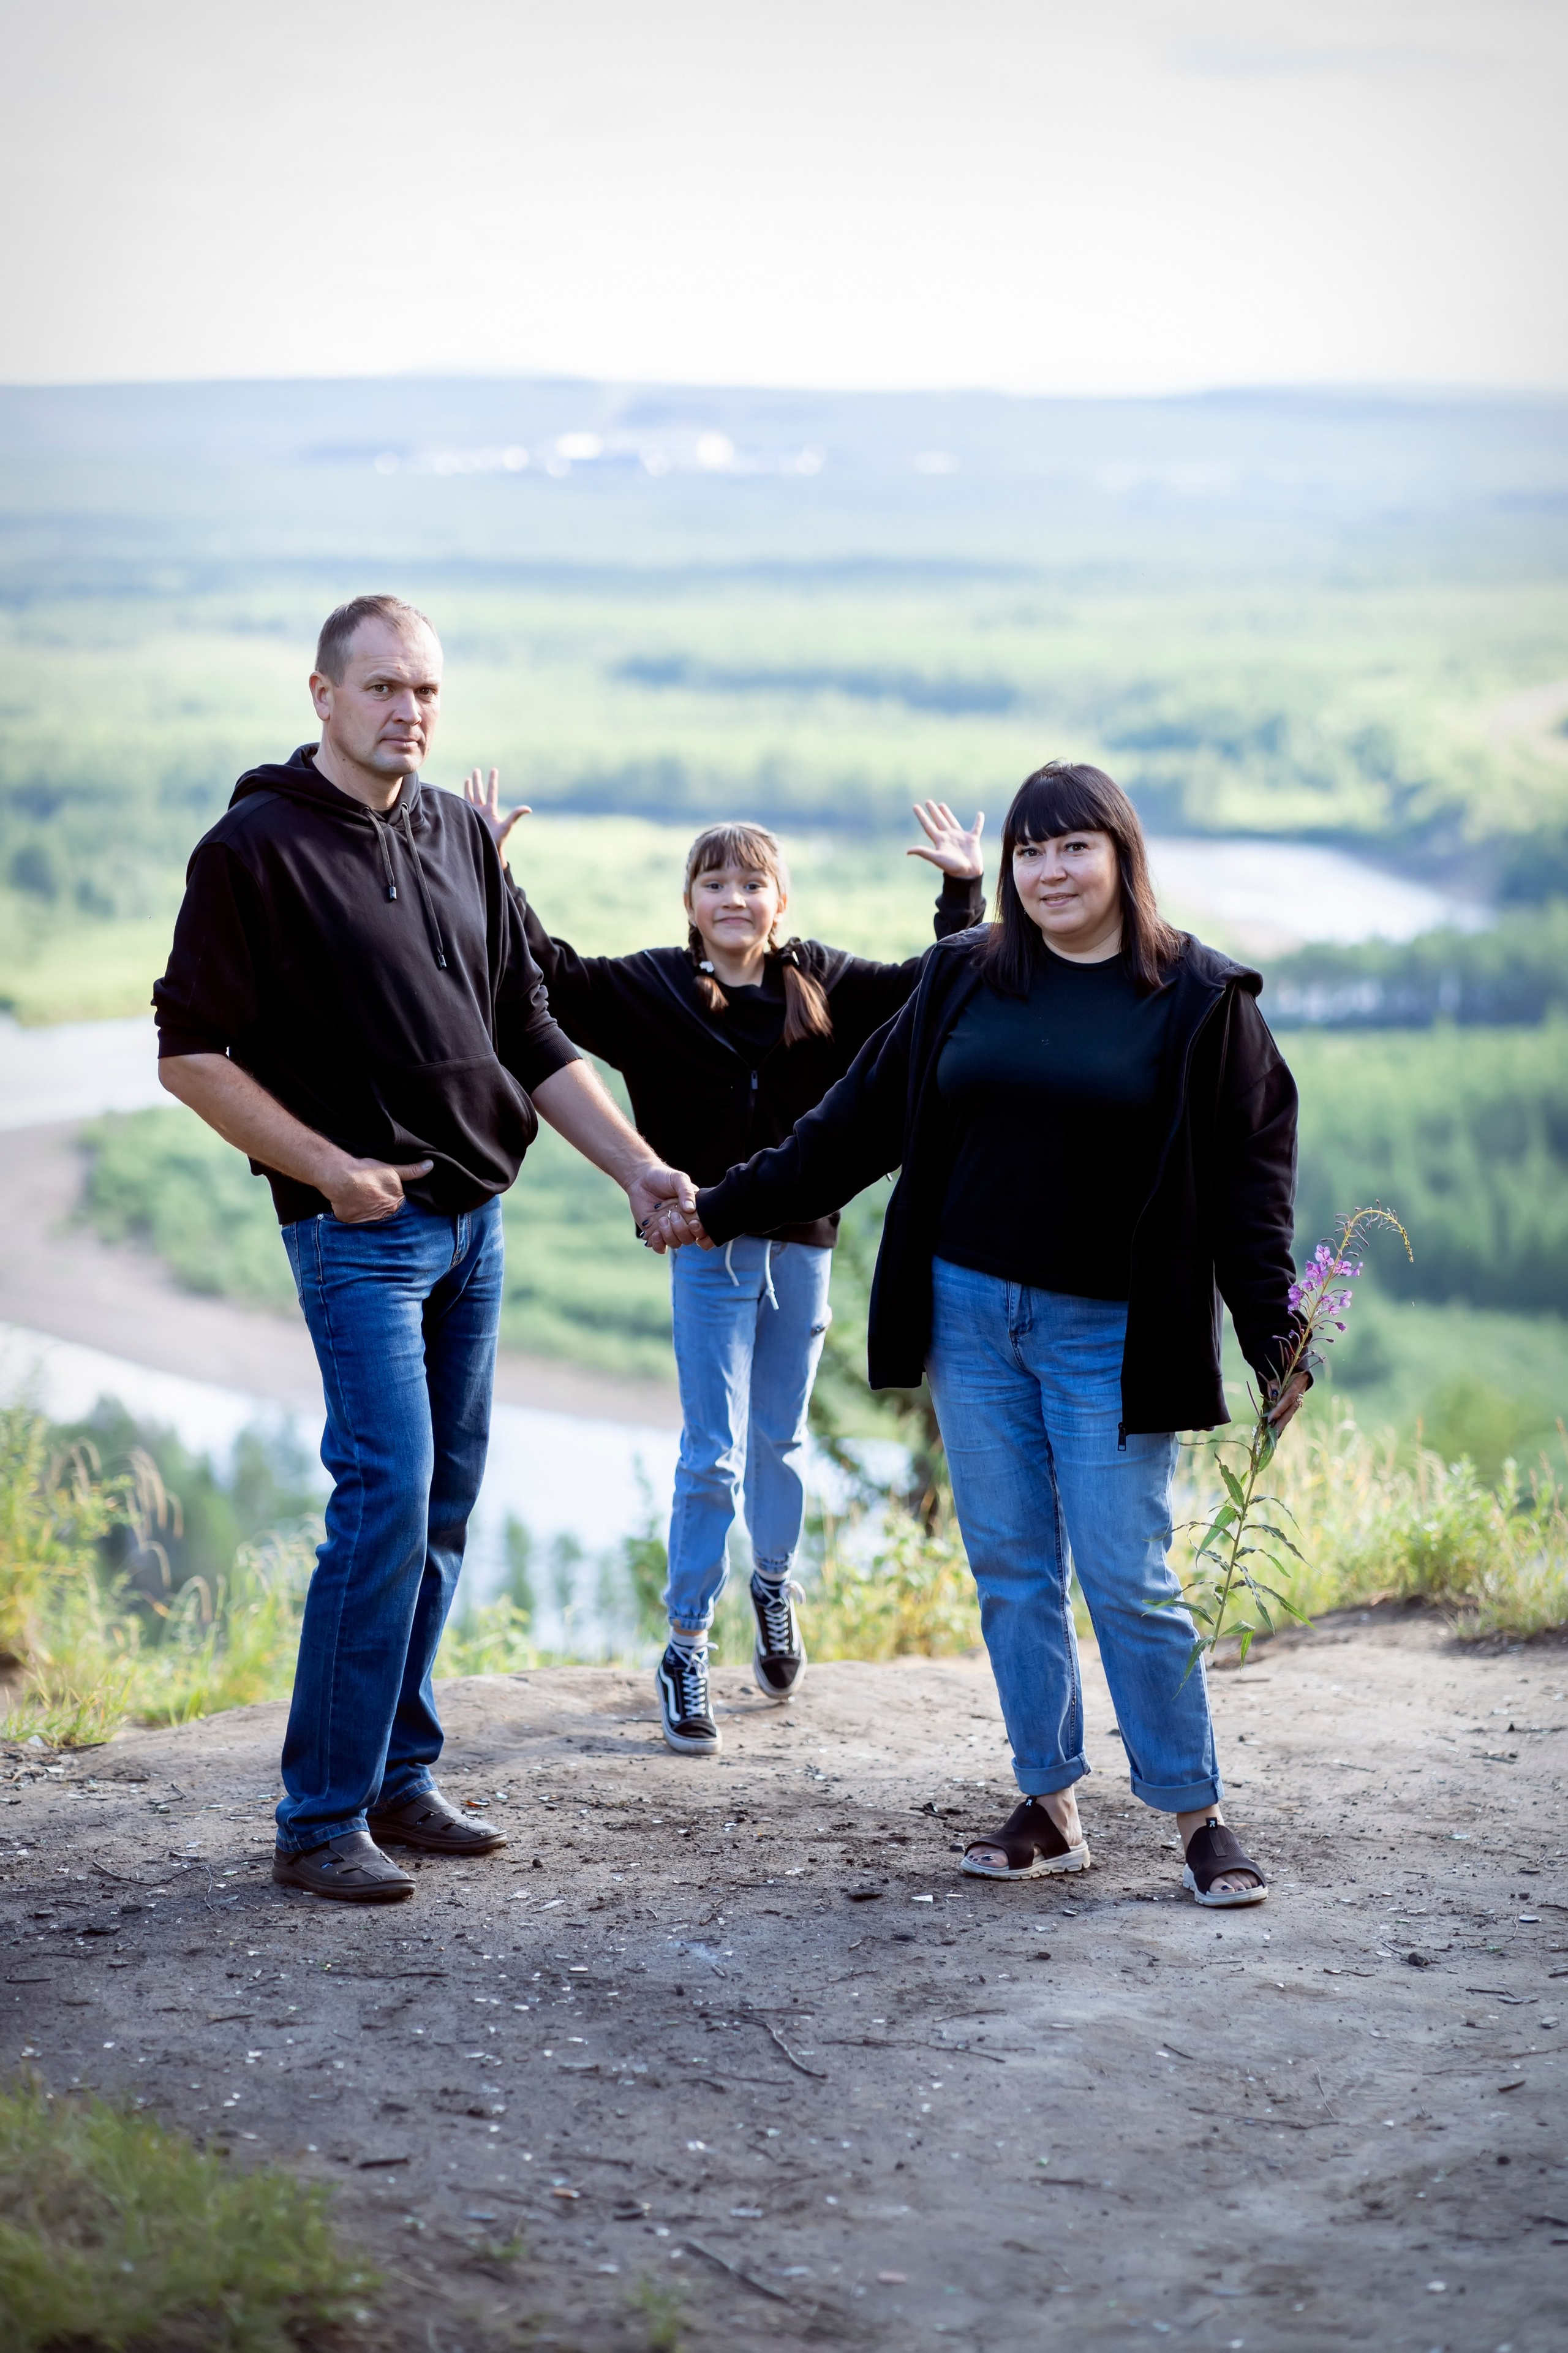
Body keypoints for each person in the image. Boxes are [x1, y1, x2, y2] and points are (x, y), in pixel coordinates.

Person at [666, 761, 1308, 1906]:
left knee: (1126, 1573)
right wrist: (722, 1203)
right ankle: (1049, 1803)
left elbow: (1251, 1184)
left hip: (1112, 1333)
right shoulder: (968, 973)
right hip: (970, 1315)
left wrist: (1275, 1333)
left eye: (1074, 847)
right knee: (1013, 1568)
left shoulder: (1203, 998)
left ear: (1121, 855)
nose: (1050, 871)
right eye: (1029, 850)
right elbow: (851, 1124)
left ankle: (1196, 1813)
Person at [153, 595, 696, 1905]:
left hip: (476, 1228)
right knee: (384, 1498)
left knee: (441, 1507)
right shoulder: (252, 850)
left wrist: (636, 1167)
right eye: (384, 687)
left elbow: (530, 1032)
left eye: (428, 691)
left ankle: (399, 1776)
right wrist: (327, 1169)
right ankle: (317, 1817)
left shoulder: (457, 832)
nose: (409, 710)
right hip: (360, 1238)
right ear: (322, 695)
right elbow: (188, 1053)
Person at [462, 773, 985, 1756]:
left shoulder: (824, 984)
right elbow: (549, 975)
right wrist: (493, 868)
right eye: (714, 884)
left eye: (752, 884)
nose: (734, 899)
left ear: (781, 902)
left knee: (779, 1443)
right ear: (690, 903)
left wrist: (963, 891)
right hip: (704, 1247)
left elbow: (935, 989)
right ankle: (688, 1645)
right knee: (711, 1452)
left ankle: (774, 1585)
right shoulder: (652, 988)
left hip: (804, 1246)